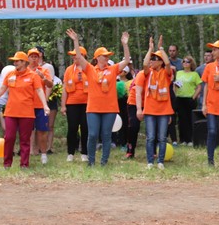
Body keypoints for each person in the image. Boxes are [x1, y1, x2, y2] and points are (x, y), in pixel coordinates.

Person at [66, 29, 131, 166]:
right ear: (97, 58)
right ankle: (91, 161)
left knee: (106, 135)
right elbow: (79, 57)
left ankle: (104, 162)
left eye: (108, 55)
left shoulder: (112, 69)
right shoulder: (90, 69)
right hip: (93, 108)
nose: (107, 57)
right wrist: (76, 41)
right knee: (93, 134)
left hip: (110, 108)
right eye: (104, 55)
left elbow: (126, 60)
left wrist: (125, 44)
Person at [0, 51, 50, 169]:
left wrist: (45, 105)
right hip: (11, 112)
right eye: (14, 61)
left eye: (17, 61)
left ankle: (24, 164)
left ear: (24, 62)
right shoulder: (10, 74)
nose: (15, 63)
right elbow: (2, 89)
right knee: (9, 137)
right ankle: (7, 164)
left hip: (27, 113)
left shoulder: (33, 75)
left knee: (25, 139)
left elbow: (39, 90)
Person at [135, 35, 173, 170]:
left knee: (162, 138)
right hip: (150, 110)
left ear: (160, 62)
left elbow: (168, 64)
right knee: (150, 137)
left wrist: (160, 48)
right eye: (151, 58)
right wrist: (150, 49)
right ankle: (150, 161)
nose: (151, 61)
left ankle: (160, 161)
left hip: (164, 111)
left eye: (154, 59)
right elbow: (145, 64)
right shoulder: (148, 73)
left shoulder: (166, 73)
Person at [61, 46, 89, 163]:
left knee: (85, 128)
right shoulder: (69, 70)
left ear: (83, 56)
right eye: (73, 55)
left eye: (75, 55)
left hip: (87, 103)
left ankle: (85, 153)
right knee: (72, 128)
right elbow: (64, 88)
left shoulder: (89, 68)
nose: (73, 57)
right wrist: (63, 105)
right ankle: (70, 153)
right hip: (72, 103)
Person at [27, 47, 54, 165]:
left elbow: (50, 85)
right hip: (27, 106)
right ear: (28, 58)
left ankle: (43, 154)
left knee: (42, 130)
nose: (34, 59)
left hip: (40, 105)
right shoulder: (24, 71)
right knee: (26, 131)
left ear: (39, 58)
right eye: (32, 56)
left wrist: (43, 77)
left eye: (36, 57)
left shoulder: (44, 70)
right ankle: (27, 153)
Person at [172, 56, 202, 145]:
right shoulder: (179, 73)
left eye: (187, 62)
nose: (185, 63)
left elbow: (199, 87)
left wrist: (194, 97)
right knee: (181, 120)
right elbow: (175, 85)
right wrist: (175, 93)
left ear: (191, 63)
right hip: (180, 98)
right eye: (184, 61)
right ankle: (183, 140)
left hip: (190, 99)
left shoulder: (194, 74)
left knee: (190, 119)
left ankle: (190, 139)